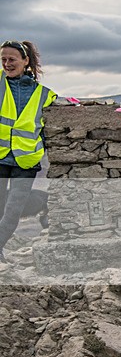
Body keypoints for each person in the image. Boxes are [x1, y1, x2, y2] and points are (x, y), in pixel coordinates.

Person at [0, 40, 57, 264]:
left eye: (11, 59)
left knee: (13, 211)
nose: (6, 63)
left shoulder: (44, 94)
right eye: (3, 59)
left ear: (25, 61)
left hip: (26, 160)